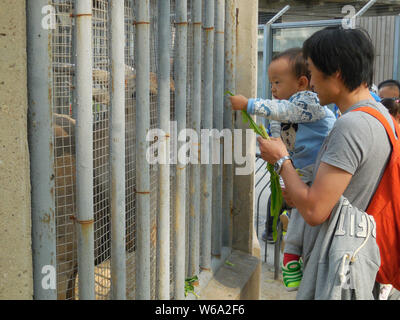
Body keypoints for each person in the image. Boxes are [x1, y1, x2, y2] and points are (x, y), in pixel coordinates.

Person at [256, 27, 396, 299]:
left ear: (337, 73)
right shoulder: (379, 114)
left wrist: (281, 158)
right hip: (358, 258)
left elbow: (314, 210)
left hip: (339, 270)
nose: (309, 82)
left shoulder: (352, 126)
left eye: (312, 71)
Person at [229, 47, 336, 291]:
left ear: (301, 82)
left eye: (277, 82)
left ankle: (292, 258)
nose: (273, 88)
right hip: (303, 171)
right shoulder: (285, 103)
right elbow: (278, 132)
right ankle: (291, 257)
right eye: (271, 83)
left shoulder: (309, 101)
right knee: (300, 215)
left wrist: (249, 104)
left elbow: (286, 112)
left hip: (320, 169)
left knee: (306, 216)